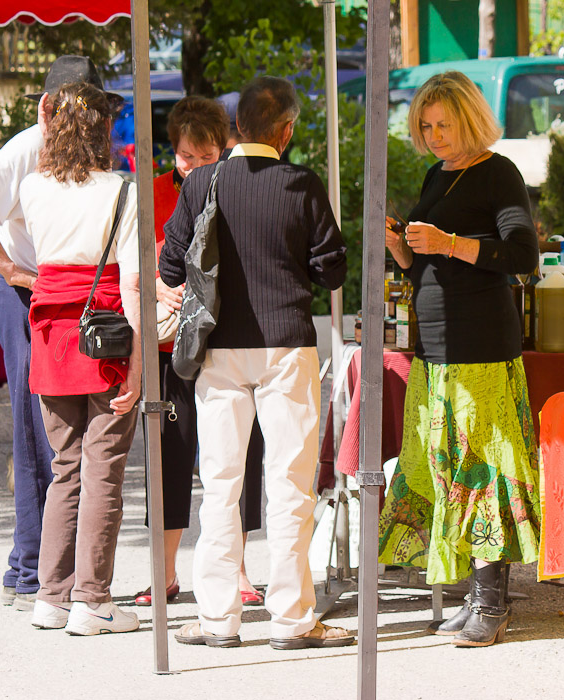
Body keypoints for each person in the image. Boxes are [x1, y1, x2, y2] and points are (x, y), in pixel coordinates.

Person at [159, 76, 352, 649]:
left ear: (235, 127)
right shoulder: (302, 184)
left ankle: (217, 620)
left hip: (219, 349)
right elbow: (333, 271)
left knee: (220, 484)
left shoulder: (203, 181)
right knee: (290, 485)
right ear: (286, 131)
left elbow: (170, 266)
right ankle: (293, 620)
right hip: (286, 345)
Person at [377, 70, 541, 648]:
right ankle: (476, 595)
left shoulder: (498, 172)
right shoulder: (436, 175)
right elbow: (426, 268)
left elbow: (523, 255)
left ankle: (492, 602)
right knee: (450, 469)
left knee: (483, 470)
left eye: (444, 124)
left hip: (480, 346)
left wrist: (448, 243)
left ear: (469, 119)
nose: (434, 135)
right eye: (425, 126)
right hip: (435, 347)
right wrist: (402, 248)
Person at [0, 55, 104, 612]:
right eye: (71, 107)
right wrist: (10, 269)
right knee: (39, 429)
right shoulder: (27, 146)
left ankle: (42, 567)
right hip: (29, 296)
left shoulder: (86, 151)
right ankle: (30, 568)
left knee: (62, 432)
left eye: (88, 108)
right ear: (47, 108)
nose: (80, 118)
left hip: (69, 297)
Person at [20, 80, 141, 635]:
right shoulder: (121, 191)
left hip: (51, 336)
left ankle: (52, 596)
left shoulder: (32, 188)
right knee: (103, 470)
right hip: (106, 337)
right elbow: (132, 284)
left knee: (65, 468)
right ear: (104, 131)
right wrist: (138, 365)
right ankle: (92, 600)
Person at [139, 95, 266, 608]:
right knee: (169, 453)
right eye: (185, 156)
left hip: (229, 338)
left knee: (239, 454)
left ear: (225, 148)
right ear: (172, 151)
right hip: (172, 341)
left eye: (205, 156)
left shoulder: (239, 185)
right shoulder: (153, 193)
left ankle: (239, 568)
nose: (193, 166)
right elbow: (137, 261)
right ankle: (165, 570)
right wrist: (156, 284)